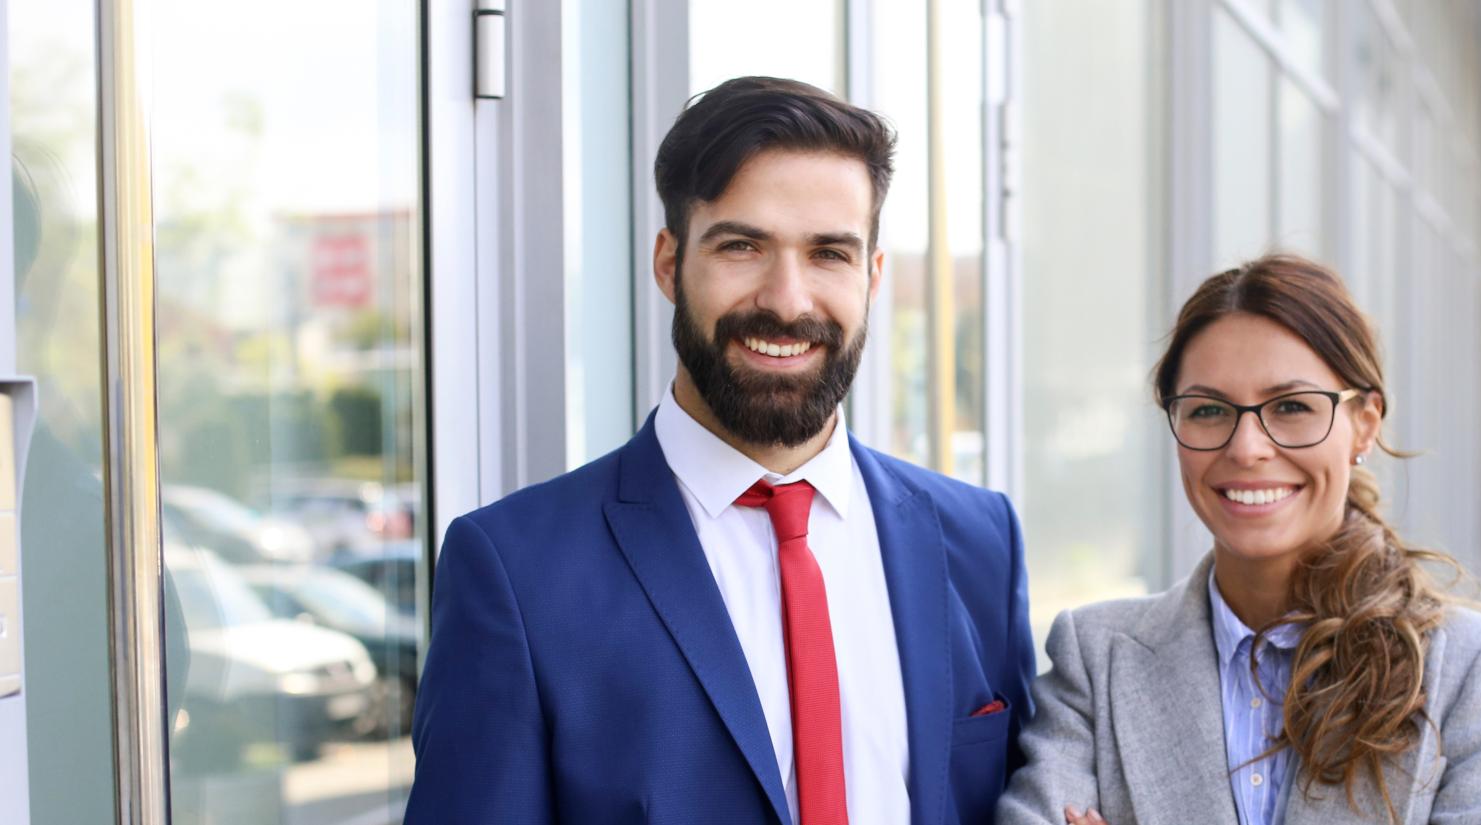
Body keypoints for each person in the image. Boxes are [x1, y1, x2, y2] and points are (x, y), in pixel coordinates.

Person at [406, 76, 1035, 825]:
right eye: (742, 246)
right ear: (670, 263)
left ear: (871, 275)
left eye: (829, 252)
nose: (787, 299)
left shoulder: (978, 541)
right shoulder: (514, 570)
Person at [996, 255, 1481, 825]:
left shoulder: (1474, 670)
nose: (1246, 448)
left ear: (1364, 422)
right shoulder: (1096, 658)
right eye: (1209, 410)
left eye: (1291, 407)